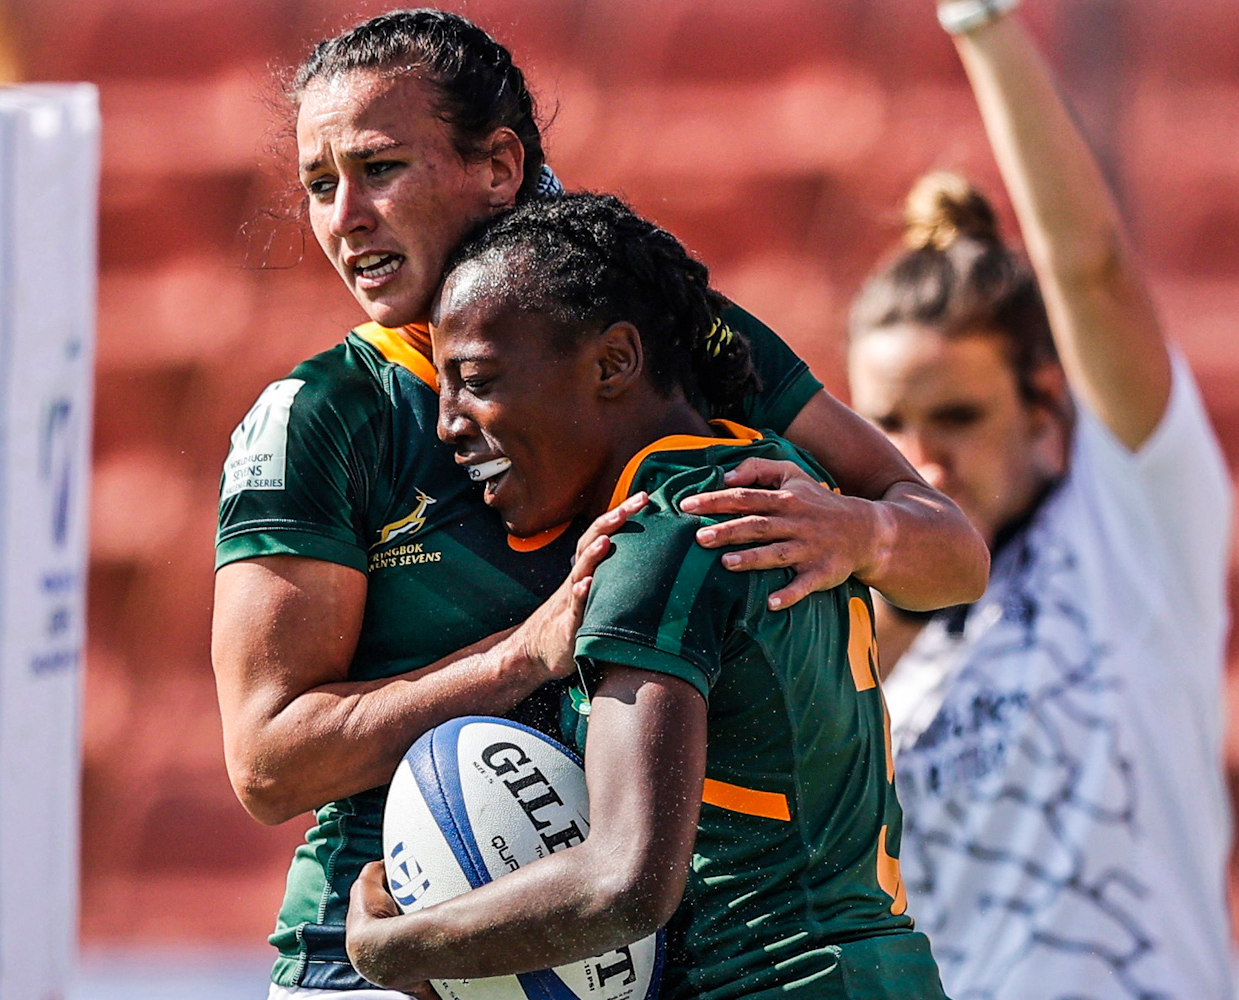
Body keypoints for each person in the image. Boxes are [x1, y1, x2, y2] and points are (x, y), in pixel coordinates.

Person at [211, 10, 987, 999]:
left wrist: (862, 530)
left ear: (500, 166)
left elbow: (954, 554)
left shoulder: (649, 326)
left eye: (380, 168)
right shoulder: (322, 416)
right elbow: (267, 765)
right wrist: (518, 658)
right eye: (320, 185)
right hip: (380, 947)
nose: (345, 216)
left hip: (611, 948)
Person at [345, 191, 948, 1000]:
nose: (449, 423)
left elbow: (624, 881)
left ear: (614, 362)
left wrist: (399, 947)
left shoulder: (659, 537)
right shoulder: (778, 474)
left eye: (477, 380)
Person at [837, 3, 1234, 998]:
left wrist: (981, 23)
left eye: (958, 417)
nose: (922, 459)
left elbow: (1091, 273)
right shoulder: (839, 639)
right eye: (889, 423)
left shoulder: (1129, 529)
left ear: (1046, 410)